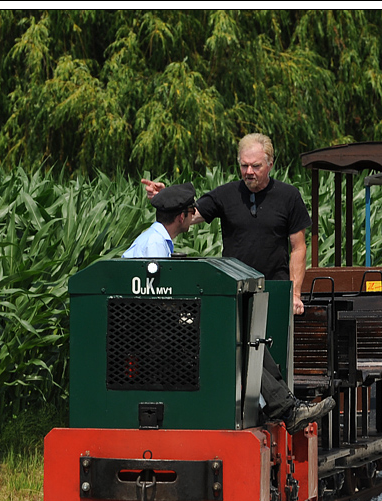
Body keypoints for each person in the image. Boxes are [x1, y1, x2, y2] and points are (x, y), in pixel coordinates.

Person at [141, 136, 329, 431]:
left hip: (275, 290)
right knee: (247, 347)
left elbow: (298, 247)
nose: (249, 171)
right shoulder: (226, 195)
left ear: (270, 164)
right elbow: (187, 217)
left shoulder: (288, 197)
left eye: (255, 165)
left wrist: (294, 293)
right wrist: (165, 200)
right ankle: (282, 411)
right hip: (238, 292)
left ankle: (282, 409)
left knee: (265, 351)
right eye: (244, 166)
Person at [123, 183, 197, 258]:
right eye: (192, 211)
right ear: (182, 217)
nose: (194, 215)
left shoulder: (156, 238)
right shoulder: (156, 243)